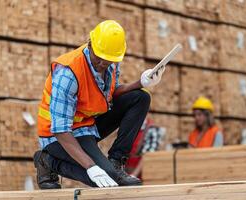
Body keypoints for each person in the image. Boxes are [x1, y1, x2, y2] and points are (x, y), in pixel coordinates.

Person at [33, 20, 166, 189]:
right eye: (100, 58)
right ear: (90, 44)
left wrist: (140, 82)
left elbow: (108, 94)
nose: (103, 64)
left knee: (140, 97)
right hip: (57, 135)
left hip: (87, 124)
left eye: (108, 60)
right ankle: (48, 161)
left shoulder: (111, 59)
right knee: (107, 179)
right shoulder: (68, 74)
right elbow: (60, 130)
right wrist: (91, 166)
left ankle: (116, 161)